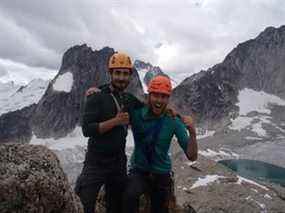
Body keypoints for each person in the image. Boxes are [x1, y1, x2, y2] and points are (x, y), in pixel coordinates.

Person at [75, 52, 144, 213]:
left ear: (130, 76)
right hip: (95, 163)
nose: (121, 77)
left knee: (116, 206)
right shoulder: (97, 97)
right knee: (85, 204)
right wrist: (116, 121)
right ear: (110, 73)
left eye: (125, 74)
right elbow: (87, 129)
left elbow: (148, 109)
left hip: (118, 163)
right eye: (117, 73)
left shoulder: (129, 99)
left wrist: (172, 113)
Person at [123, 75, 198, 213]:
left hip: (161, 173)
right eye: (156, 95)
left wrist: (192, 133)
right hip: (139, 170)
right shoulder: (137, 114)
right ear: (149, 96)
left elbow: (192, 156)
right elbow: (117, 99)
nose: (159, 100)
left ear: (168, 98)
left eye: (164, 96)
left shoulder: (173, 120)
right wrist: (97, 92)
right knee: (128, 197)